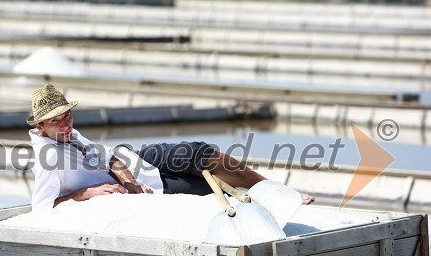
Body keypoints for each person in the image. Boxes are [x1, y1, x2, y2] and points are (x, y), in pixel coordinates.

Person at [27, 84, 315, 211]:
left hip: (138, 162)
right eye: (55, 121)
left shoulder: (71, 135)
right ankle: (268, 199)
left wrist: (130, 185)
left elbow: (111, 158)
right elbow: (41, 208)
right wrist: (85, 193)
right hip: (150, 184)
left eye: (67, 116)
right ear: (41, 127)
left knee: (198, 152)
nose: (65, 124)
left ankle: (279, 192)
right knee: (207, 189)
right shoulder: (48, 158)